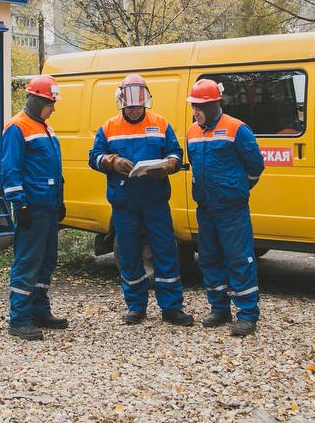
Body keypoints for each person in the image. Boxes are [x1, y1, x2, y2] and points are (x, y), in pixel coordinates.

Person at [88, 74, 194, 327]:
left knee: (165, 252)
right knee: (129, 255)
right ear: (122, 103)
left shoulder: (160, 124)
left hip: (155, 201)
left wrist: (169, 165)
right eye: (130, 107)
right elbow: (94, 157)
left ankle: (171, 307)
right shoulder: (109, 127)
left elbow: (175, 153)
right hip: (124, 203)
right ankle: (136, 307)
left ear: (145, 102)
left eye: (138, 107)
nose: (134, 111)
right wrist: (111, 161)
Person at [184, 78, 266, 336]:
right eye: (193, 106)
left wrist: (237, 188)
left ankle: (247, 314)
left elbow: (255, 166)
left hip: (232, 210)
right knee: (209, 259)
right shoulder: (191, 132)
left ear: (213, 105)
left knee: (239, 258)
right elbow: (194, 164)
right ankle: (219, 308)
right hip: (205, 208)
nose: (195, 111)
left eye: (199, 107)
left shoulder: (237, 129)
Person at [1, 75, 68, 341]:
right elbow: (10, 169)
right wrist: (21, 205)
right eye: (51, 104)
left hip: (49, 206)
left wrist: (60, 201)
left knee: (47, 260)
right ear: (38, 100)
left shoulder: (45, 127)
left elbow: (52, 168)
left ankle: (39, 310)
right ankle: (19, 319)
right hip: (33, 207)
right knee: (28, 262)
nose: (53, 109)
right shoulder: (17, 127)